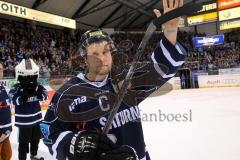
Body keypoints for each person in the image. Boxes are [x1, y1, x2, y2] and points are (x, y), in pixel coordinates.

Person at [41, 0, 187, 159]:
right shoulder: (68, 93)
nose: (102, 59)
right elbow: (50, 132)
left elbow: (160, 70)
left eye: (106, 52)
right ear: (84, 59)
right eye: (94, 54)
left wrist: (170, 32)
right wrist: (76, 144)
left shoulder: (126, 79)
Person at [9, 59, 48, 160]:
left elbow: (45, 96)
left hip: (36, 119)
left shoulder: (37, 87)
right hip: (24, 121)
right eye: (27, 76)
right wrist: (22, 97)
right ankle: (22, 158)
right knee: (23, 142)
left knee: (36, 139)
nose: (29, 79)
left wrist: (40, 94)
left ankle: (33, 155)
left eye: (31, 76)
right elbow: (12, 100)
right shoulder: (16, 88)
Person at [0, 63, 12, 160]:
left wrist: (7, 129)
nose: (1, 72)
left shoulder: (2, 87)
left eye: (1, 69)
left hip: (6, 130)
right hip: (1, 131)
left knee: (7, 155)